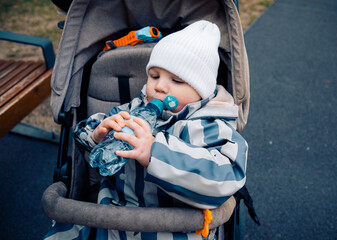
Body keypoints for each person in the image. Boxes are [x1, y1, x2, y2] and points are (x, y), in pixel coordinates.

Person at [45, 20, 248, 240]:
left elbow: (226, 177)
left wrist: (155, 153)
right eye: (154, 76)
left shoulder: (210, 125)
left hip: (175, 227)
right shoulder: (136, 109)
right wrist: (97, 134)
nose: (160, 86)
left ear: (202, 91)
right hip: (113, 215)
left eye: (177, 80)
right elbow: (97, 130)